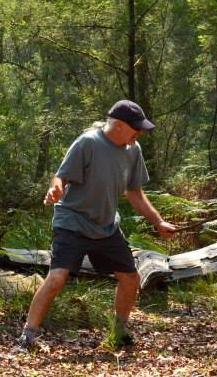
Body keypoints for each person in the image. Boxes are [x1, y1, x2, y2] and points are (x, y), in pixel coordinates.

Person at [17, 100, 176, 350]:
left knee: (130, 278)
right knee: (57, 277)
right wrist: (55, 187)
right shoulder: (88, 143)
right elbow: (61, 176)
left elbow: (134, 192)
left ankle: (119, 331)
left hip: (106, 227)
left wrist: (158, 221)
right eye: (137, 128)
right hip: (72, 221)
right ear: (120, 125)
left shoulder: (133, 150)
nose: (141, 133)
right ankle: (28, 336)